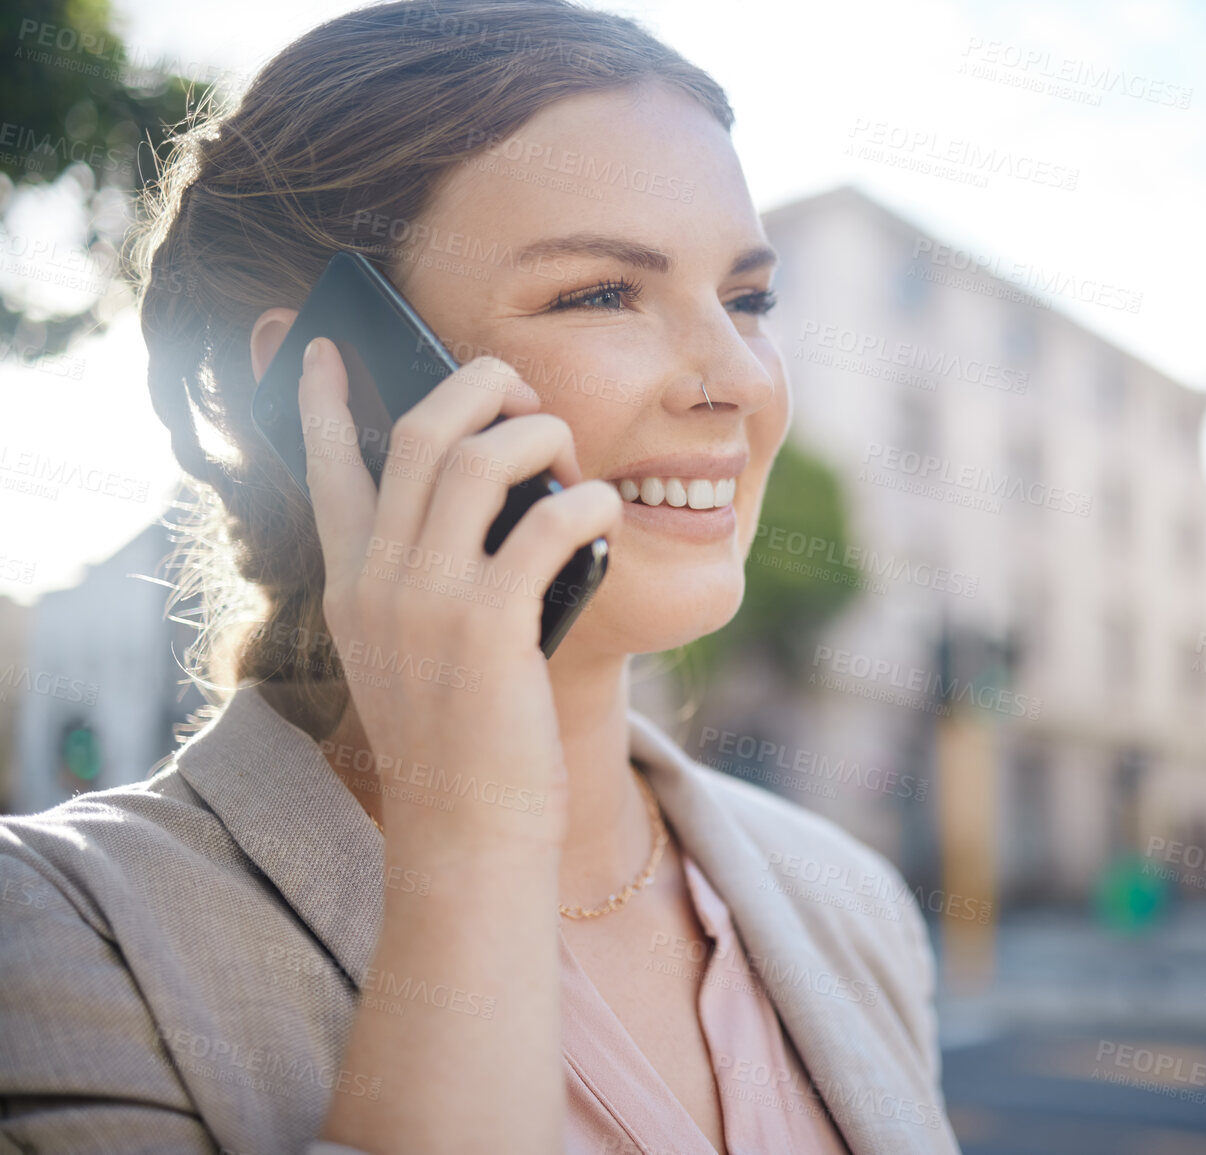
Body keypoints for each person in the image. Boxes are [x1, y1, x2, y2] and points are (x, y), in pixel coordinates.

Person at [0, 2, 957, 1152]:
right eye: (604, 293)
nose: (739, 384)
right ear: (338, 386)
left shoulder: (850, 901)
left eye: (749, 299)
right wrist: (468, 840)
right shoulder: (60, 932)